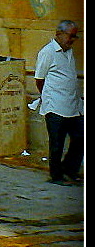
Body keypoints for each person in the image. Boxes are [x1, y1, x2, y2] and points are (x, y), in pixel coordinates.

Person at [34, 20, 83, 185]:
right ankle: (56, 175)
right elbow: (39, 79)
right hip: (55, 105)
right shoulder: (48, 52)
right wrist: (49, 96)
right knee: (57, 142)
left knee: (80, 137)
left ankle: (69, 170)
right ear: (59, 34)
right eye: (70, 36)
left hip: (73, 105)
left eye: (75, 36)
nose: (72, 40)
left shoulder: (68, 51)